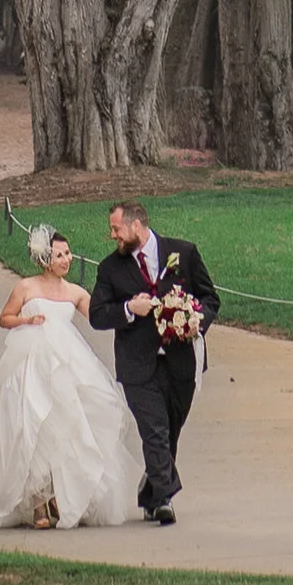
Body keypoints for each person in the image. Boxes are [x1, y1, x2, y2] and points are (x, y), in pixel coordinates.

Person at [0, 224, 144, 530]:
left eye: (68, 253)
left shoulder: (75, 292)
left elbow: (99, 317)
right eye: (59, 255)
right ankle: (37, 503)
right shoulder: (26, 287)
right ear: (45, 259)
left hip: (67, 366)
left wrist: (130, 310)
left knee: (67, 429)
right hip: (32, 364)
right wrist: (26, 320)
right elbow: (4, 318)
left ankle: (57, 495)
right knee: (34, 428)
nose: (66, 259)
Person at [88, 200, 218, 525]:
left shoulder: (183, 253)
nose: (112, 235)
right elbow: (97, 315)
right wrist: (129, 309)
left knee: (170, 432)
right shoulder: (110, 269)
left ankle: (151, 489)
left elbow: (210, 298)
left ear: (136, 226)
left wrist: (196, 320)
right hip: (137, 365)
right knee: (155, 430)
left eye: (116, 229)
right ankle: (163, 501)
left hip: (181, 362)